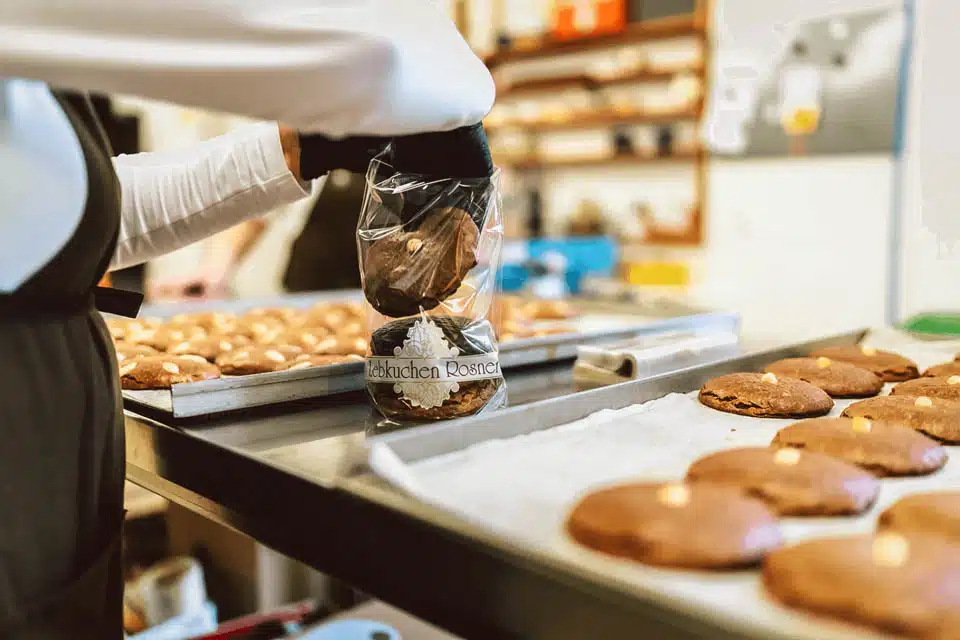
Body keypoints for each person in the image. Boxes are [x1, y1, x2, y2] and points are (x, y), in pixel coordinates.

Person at [0, 2, 495, 637]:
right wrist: (444, 112)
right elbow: (385, 53)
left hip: (51, 465)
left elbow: (79, 213)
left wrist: (299, 147)